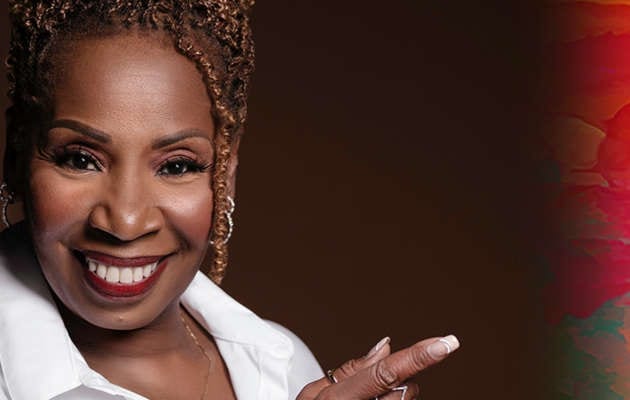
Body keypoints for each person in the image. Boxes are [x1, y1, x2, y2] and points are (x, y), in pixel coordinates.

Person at [0, 1, 460, 399]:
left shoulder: (280, 364)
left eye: (176, 166)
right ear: (16, 156)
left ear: (226, 174)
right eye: (81, 159)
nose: (125, 221)